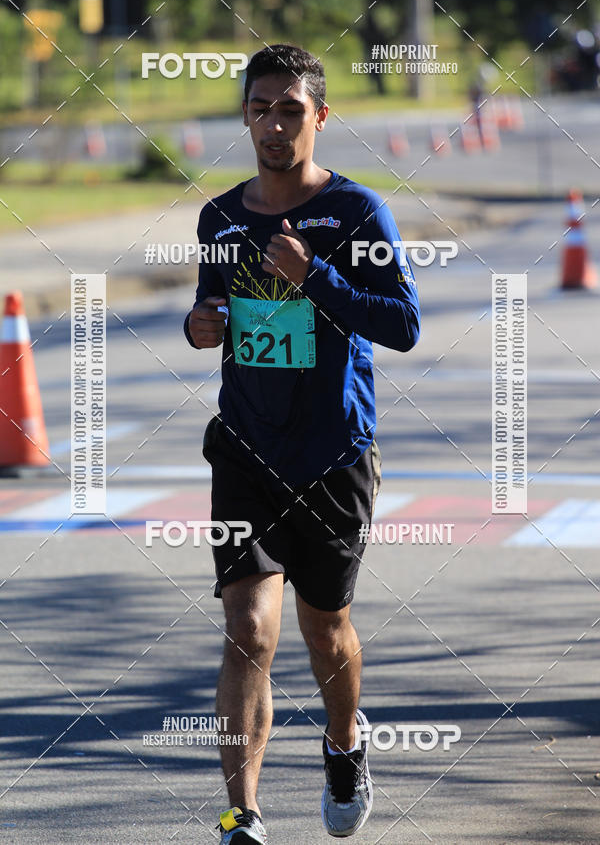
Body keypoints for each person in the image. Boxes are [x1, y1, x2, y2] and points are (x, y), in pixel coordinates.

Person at [183, 43, 420, 843]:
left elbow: (404, 326)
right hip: (245, 452)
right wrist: (198, 325)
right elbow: (208, 312)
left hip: (333, 455)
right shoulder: (219, 216)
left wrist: (316, 276)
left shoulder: (357, 214)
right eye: (261, 107)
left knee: (326, 630)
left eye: (291, 109)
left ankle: (345, 743)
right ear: (243, 115)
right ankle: (238, 817)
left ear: (320, 116)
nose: (275, 124)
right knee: (248, 631)